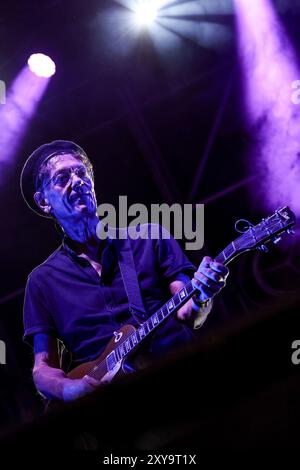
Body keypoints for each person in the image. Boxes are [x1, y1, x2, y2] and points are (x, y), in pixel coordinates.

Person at [20, 140, 229, 403]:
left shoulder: (150, 237)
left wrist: (201, 296)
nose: (78, 180)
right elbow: (43, 368)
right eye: (63, 177)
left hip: (181, 377)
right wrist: (69, 389)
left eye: (82, 173)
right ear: (43, 202)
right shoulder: (42, 282)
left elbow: (189, 315)